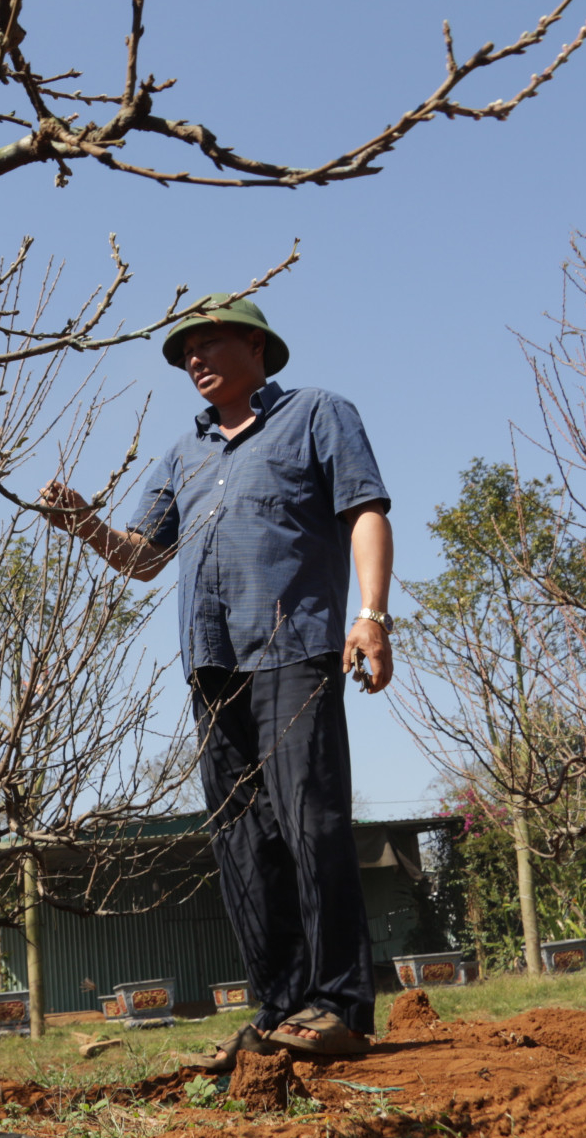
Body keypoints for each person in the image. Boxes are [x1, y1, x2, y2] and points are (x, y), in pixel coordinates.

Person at [40, 293, 392, 1067]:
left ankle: (337, 1005)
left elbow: (365, 509)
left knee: (310, 823)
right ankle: (279, 1008)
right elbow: (142, 556)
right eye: (184, 351)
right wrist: (86, 523)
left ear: (258, 346)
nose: (194, 358)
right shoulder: (182, 456)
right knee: (242, 840)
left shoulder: (316, 414)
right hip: (212, 668)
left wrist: (371, 614)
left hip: (294, 651)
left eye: (209, 343)